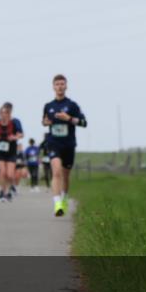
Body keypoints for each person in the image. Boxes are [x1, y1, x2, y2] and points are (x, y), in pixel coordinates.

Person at [43, 74, 88, 216]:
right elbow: (44, 121)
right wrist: (46, 122)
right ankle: (57, 204)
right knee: (56, 172)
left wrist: (69, 118)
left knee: (65, 175)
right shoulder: (48, 106)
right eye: (57, 84)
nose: (60, 86)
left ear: (66, 86)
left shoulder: (72, 105)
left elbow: (84, 123)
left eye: (62, 84)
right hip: (53, 143)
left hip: (68, 144)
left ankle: (64, 197)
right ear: (53, 87)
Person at [0, 102, 23, 201]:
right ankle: (3, 191)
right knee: (2, 171)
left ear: (10, 113)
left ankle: (9, 190)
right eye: (3, 112)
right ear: (0, 113)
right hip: (0, 151)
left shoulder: (15, 122)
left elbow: (21, 134)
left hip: (11, 151)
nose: (5, 114)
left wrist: (15, 137)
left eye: (7, 112)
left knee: (9, 174)